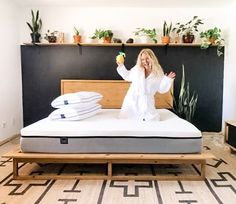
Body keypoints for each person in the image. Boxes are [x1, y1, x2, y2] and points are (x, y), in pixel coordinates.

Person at [116, 48, 176, 121]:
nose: (145, 61)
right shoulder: (137, 69)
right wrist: (121, 66)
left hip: (147, 103)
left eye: (147, 58)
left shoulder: (158, 72)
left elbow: (161, 89)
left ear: (152, 58)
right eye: (142, 59)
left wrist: (167, 79)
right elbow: (127, 76)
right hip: (132, 100)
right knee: (128, 121)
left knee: (152, 120)